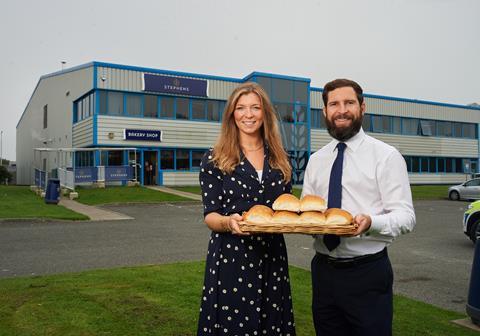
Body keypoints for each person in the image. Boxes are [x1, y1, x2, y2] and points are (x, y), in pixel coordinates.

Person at [302, 78, 416, 336]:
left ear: (362, 107)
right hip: (323, 271)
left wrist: (371, 223)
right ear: (325, 111)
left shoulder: (386, 156)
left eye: (349, 103)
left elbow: (406, 217)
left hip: (367, 273)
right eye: (334, 104)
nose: (341, 110)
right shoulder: (316, 160)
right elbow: (308, 212)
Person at [197, 82, 296, 335]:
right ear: (232, 114)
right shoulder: (214, 158)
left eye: (255, 107)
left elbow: (286, 209)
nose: (248, 114)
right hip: (232, 258)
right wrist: (229, 222)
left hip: (272, 256)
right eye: (240, 108)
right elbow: (211, 215)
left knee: (272, 324)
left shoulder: (280, 158)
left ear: (265, 113)